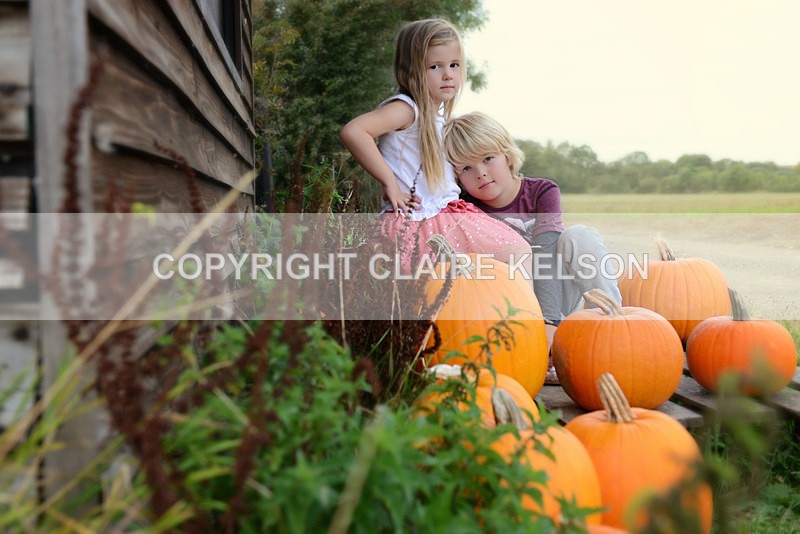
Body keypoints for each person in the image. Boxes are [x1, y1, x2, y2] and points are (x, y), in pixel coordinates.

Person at [339, 19, 531, 274]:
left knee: (496, 265)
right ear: (412, 71)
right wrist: (390, 183)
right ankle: (531, 315)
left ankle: (517, 314)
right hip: (422, 220)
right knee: (516, 253)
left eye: (454, 65)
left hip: (446, 216)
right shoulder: (407, 109)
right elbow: (354, 131)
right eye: (434, 67)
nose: (448, 74)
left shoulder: (435, 115)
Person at [443, 112, 623, 382]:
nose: (480, 173)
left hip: (556, 300)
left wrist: (549, 323)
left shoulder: (541, 192)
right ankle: (537, 356)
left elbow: (547, 254)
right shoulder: (469, 210)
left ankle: (616, 326)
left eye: (488, 159)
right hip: (514, 311)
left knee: (579, 236)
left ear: (507, 156)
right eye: (466, 168)